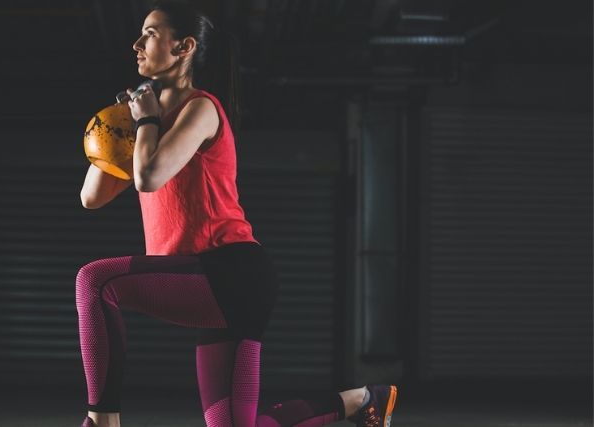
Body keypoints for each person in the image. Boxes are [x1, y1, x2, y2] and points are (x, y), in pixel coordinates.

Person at [75, 2, 397, 426]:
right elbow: (91, 197)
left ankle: (102, 420)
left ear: (184, 46)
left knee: (95, 281)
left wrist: (149, 119)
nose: (136, 44)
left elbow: (149, 177)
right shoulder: (144, 125)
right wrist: (116, 127)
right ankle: (360, 400)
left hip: (231, 272)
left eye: (150, 33)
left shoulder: (200, 109)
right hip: (213, 278)